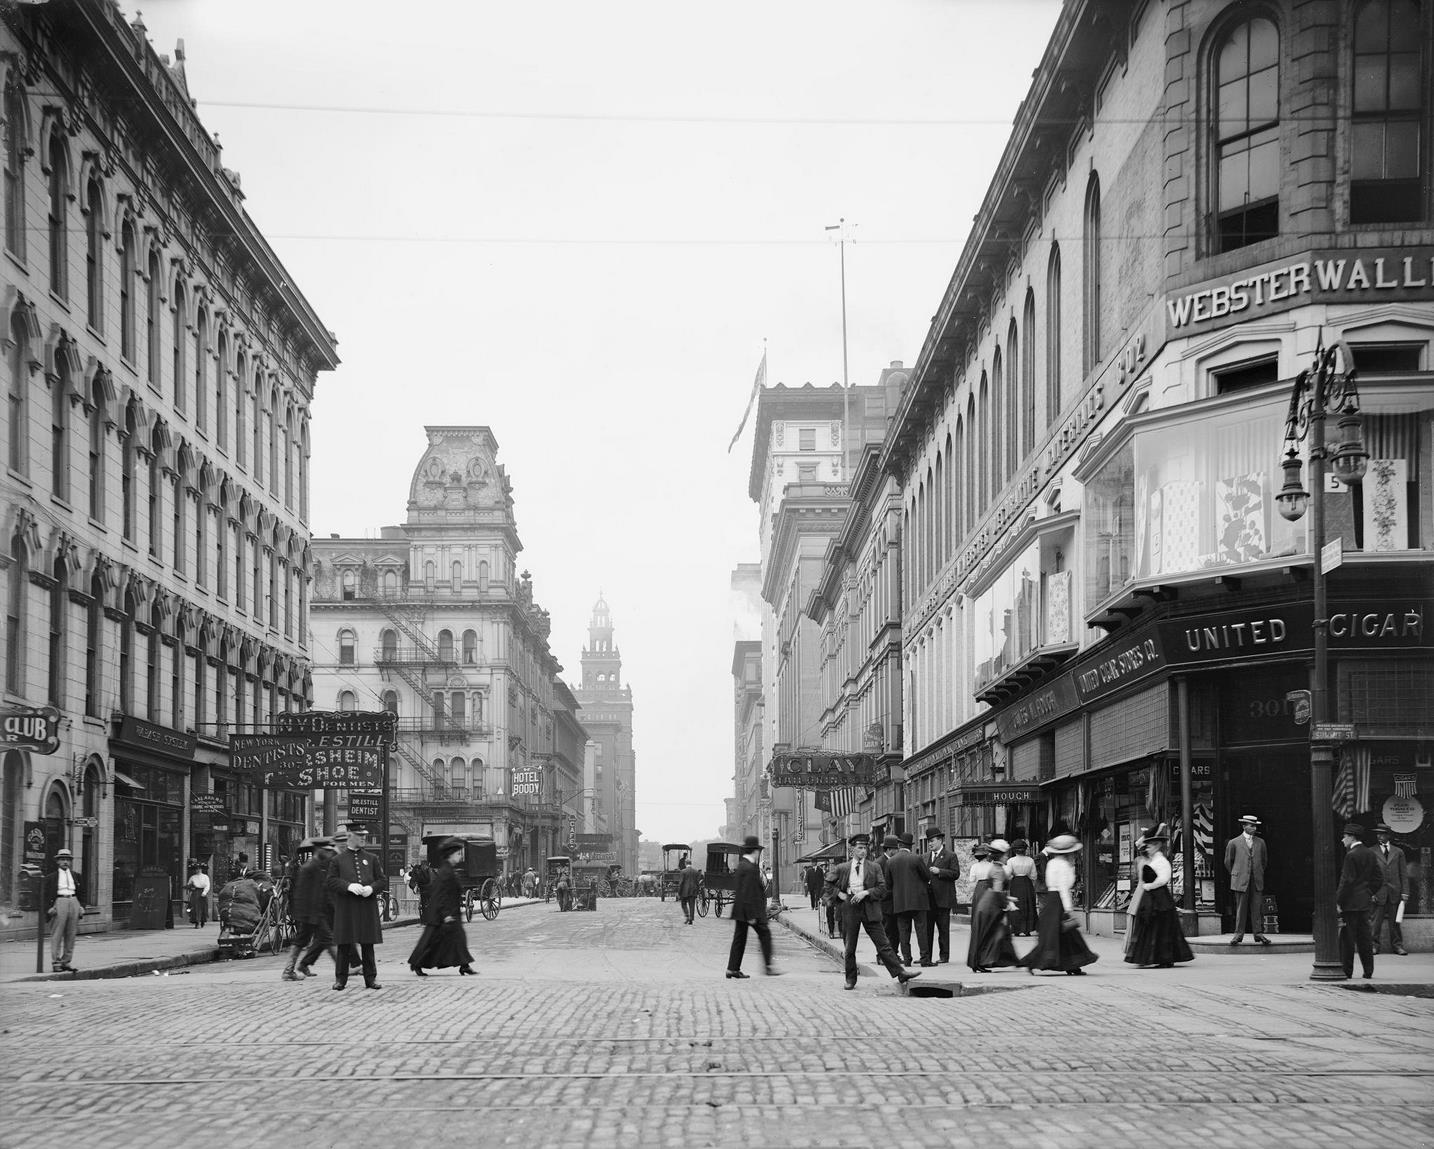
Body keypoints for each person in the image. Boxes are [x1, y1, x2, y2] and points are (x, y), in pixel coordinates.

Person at [825, 834, 920, 991]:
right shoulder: (843, 868)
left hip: (869, 907)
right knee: (850, 946)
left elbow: (883, 888)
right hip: (850, 907)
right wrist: (840, 894)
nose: (863, 851)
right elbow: (828, 883)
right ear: (852, 849)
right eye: (860, 848)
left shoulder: (874, 867)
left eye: (865, 848)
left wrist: (866, 893)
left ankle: (900, 973)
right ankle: (850, 978)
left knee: (883, 944)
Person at [1017, 834, 1098, 976]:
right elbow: (1063, 889)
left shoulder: (1052, 863)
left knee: (1056, 935)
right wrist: (1068, 909)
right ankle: (1069, 964)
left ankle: (1070, 965)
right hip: (1059, 901)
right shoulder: (1064, 866)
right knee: (1065, 934)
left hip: (1051, 900)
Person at [326, 823, 387, 990]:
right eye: (360, 835)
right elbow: (331, 881)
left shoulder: (372, 858)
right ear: (350, 836)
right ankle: (340, 979)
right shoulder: (337, 860)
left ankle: (371, 979)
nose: (363, 838)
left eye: (364, 835)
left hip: (367, 907)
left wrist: (371, 888)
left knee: (368, 945)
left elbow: (382, 880)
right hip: (347, 907)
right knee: (344, 944)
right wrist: (347, 886)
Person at [1124, 825, 1194, 969]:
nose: (1147, 848)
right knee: (1150, 926)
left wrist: (1149, 886)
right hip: (1151, 897)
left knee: (1160, 927)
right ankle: (1150, 956)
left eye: (1149, 846)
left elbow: (1163, 879)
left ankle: (1163, 957)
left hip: (1160, 898)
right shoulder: (1153, 860)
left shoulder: (1161, 861)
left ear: (1156, 846)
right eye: (1147, 846)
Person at [408, 837, 476, 976]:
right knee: (431, 941)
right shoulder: (445, 871)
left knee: (458, 938)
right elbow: (440, 894)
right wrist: (446, 914)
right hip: (441, 914)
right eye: (458, 853)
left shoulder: (449, 870)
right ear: (450, 855)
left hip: (449, 912)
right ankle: (417, 963)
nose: (460, 856)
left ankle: (464, 965)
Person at [725, 835, 780, 978]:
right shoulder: (750, 868)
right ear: (755, 851)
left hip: (741, 910)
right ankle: (768, 966)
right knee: (765, 934)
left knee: (739, 938)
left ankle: (732, 968)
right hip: (751, 911)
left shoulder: (742, 865)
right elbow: (748, 892)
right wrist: (751, 916)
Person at [1336, 823, 1381, 980]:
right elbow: (1378, 878)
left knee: (1347, 939)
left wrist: (1338, 901)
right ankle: (1368, 970)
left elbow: (1346, 881)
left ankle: (1347, 970)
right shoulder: (1370, 853)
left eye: (1344, 836)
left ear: (1351, 837)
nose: (1342, 840)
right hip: (1364, 902)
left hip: (1350, 904)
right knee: (1365, 938)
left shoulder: (1350, 855)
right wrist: (1369, 892)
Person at [290, 838, 340, 979]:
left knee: (302, 941)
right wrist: (305, 914)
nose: (330, 854)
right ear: (319, 851)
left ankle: (292, 969)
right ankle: (343, 969)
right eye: (327, 851)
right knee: (328, 940)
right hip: (311, 913)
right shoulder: (310, 867)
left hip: (315, 912)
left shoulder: (318, 866)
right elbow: (302, 893)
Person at [967, 839, 1019, 973]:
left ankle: (980, 961)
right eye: (1006, 854)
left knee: (987, 933)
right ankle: (981, 961)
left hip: (988, 902)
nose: (1007, 856)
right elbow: (997, 890)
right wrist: (1006, 904)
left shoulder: (996, 868)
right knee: (988, 933)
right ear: (1000, 856)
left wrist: (1007, 900)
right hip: (991, 905)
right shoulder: (998, 870)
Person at [1223, 814, 1271, 945]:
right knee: (1241, 908)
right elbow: (1228, 862)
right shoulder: (1234, 843)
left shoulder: (1261, 842)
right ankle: (1238, 935)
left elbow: (1264, 861)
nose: (1254, 828)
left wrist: (1257, 872)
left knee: (1257, 907)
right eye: (1251, 825)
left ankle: (1258, 933)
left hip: (1256, 879)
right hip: (1240, 879)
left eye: (1255, 826)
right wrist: (1237, 873)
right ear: (1244, 826)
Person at [887, 832, 933, 966]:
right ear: (910, 846)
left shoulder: (891, 861)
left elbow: (888, 884)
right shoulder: (916, 858)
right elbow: (927, 876)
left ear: (899, 845)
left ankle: (907, 960)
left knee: (903, 932)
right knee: (921, 931)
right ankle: (925, 959)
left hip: (900, 902)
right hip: (918, 901)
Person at [921, 827, 960, 963]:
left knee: (943, 929)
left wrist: (940, 871)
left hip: (943, 898)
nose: (930, 844)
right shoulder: (925, 857)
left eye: (932, 841)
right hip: (928, 900)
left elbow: (955, 874)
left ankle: (944, 956)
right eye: (928, 842)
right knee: (927, 929)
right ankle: (927, 957)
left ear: (940, 840)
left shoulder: (950, 855)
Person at [44, 848, 86, 973]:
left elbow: (82, 893)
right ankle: (56, 962)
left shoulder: (76, 876)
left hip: (73, 901)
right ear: (57, 861)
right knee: (57, 933)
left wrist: (81, 906)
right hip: (59, 901)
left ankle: (66, 961)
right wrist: (49, 908)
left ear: (71, 861)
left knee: (71, 934)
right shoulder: (51, 877)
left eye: (67, 859)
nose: (65, 862)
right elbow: (44, 894)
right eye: (62, 859)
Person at [1370, 823, 1408, 956]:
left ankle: (1397, 946)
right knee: (1375, 922)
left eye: (1381, 833)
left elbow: (1403, 873)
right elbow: (1368, 874)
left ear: (1388, 835)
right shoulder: (1371, 851)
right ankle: (1374, 946)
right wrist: (1371, 892)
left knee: (1395, 922)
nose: (1379, 836)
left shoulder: (1398, 852)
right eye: (1377, 833)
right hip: (1378, 892)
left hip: (1394, 892)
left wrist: (1405, 892)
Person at [1005, 839, 1037, 937]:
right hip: (1027, 884)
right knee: (1028, 905)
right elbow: (1034, 876)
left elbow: (1007, 874)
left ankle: (1016, 929)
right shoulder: (1030, 860)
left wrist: (1013, 876)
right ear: (1025, 850)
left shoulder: (1011, 861)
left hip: (1015, 883)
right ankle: (1027, 929)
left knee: (1016, 905)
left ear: (1014, 850)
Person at [186, 861, 211, 929]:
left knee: (203, 907)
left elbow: (207, 885)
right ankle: (197, 922)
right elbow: (189, 885)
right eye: (196, 869)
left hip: (202, 892)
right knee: (195, 908)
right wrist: (190, 888)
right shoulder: (193, 877)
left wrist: (205, 892)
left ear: (201, 869)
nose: (198, 870)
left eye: (199, 869)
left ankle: (202, 920)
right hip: (195, 893)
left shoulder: (205, 877)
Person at [677, 858, 702, 925]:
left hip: (684, 891)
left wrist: (679, 892)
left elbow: (681, 883)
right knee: (692, 905)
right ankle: (691, 918)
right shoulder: (696, 872)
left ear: (685, 863)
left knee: (683, 904)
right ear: (691, 863)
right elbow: (697, 883)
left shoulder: (683, 871)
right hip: (693, 891)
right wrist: (697, 891)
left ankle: (687, 915)